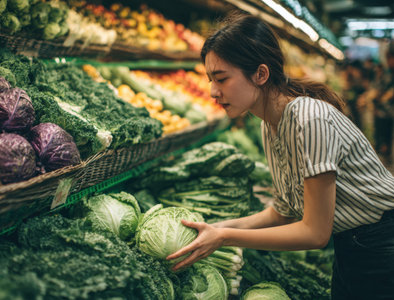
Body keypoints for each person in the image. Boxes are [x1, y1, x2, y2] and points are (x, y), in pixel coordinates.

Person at [166, 13, 394, 300]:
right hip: (353, 245)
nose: (213, 91)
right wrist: (216, 228)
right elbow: (283, 212)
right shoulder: (270, 124)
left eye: (221, 78)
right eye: (210, 79)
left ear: (261, 74)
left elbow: (314, 234)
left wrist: (225, 238)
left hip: (384, 245)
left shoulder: (309, 120)